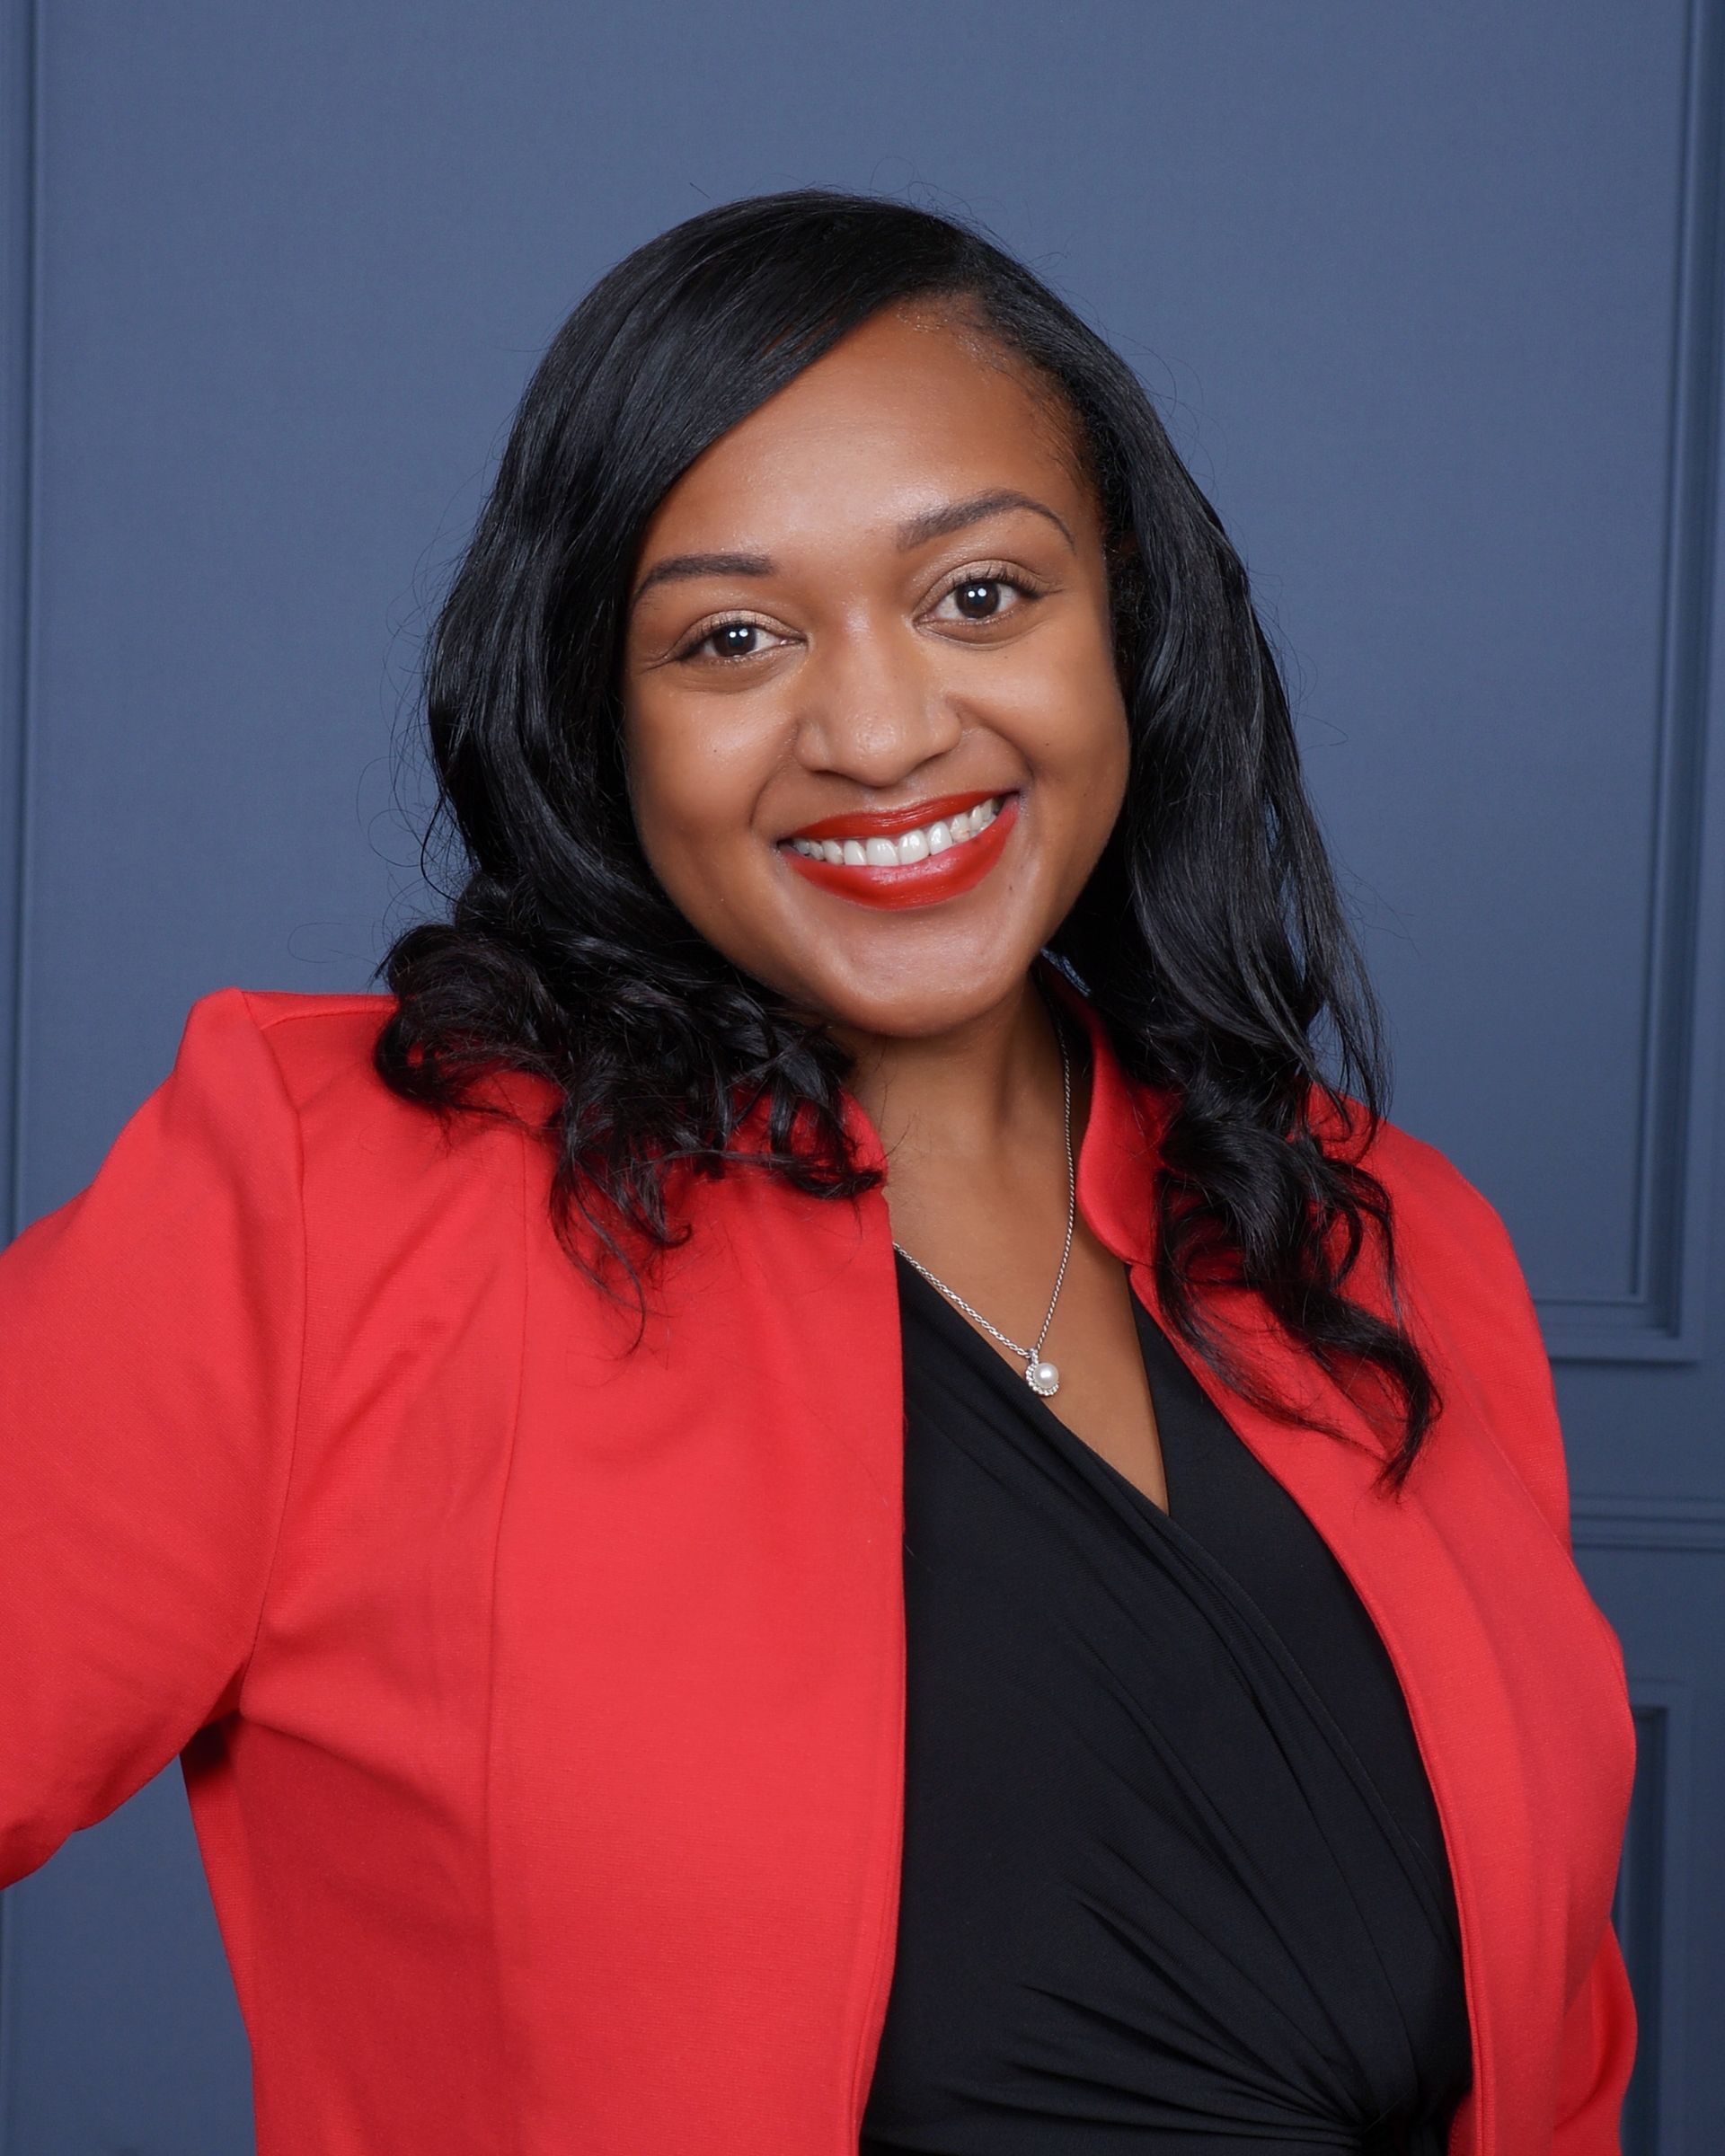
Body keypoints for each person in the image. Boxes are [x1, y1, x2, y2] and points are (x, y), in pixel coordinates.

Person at [0, 189, 1636, 2154]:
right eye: (735, 637)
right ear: (604, 716)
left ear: (1132, 619)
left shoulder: (1390, 1239)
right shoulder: (333, 1199)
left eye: (980, 597)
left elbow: (1552, 2051)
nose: (878, 730)